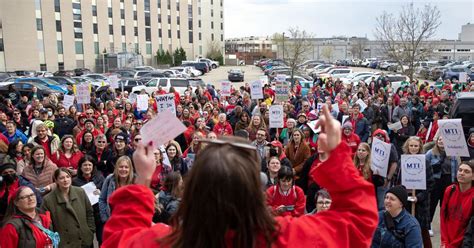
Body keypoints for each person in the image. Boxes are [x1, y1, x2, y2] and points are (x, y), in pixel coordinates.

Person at [102, 105, 378, 248]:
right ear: (256, 192)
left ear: (192, 192)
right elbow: (357, 220)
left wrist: (142, 180)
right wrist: (336, 154)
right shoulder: (294, 239)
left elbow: (118, 239)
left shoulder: (162, 242)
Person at [41, 168, 95, 248]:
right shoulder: (48, 200)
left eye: (67, 177)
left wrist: (90, 231)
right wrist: (55, 241)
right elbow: (47, 224)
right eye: (61, 178)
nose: (65, 180)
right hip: (64, 243)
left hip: (84, 240)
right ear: (56, 180)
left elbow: (89, 213)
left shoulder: (80, 192)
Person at [426, 133, 460, 228]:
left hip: (448, 180)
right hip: (436, 181)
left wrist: (456, 182)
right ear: (437, 141)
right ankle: (428, 225)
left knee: (446, 204)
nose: (442, 141)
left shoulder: (453, 154)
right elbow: (424, 166)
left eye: (444, 140)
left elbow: (456, 168)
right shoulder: (430, 153)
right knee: (432, 203)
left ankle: (446, 225)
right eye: (440, 140)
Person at [72, 155, 105, 246]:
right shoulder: (75, 181)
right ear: (80, 167)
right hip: (84, 214)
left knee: (102, 239)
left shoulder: (100, 178)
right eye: (85, 165)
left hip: (99, 213)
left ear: (93, 166)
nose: (87, 167)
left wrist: (101, 192)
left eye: (89, 165)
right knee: (87, 240)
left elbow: (106, 194)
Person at [440, 160, 474, 248]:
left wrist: (453, 245)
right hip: (446, 242)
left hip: (463, 243)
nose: (461, 173)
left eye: (466, 171)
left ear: (473, 176)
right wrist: (444, 242)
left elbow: (470, 227)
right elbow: (443, 217)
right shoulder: (449, 190)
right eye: (460, 170)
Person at [99, 156, 135, 224]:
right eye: (121, 167)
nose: (123, 169)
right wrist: (105, 218)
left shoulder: (135, 181)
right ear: (116, 168)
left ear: (130, 169)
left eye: (126, 167)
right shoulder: (109, 179)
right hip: (112, 221)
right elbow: (102, 199)